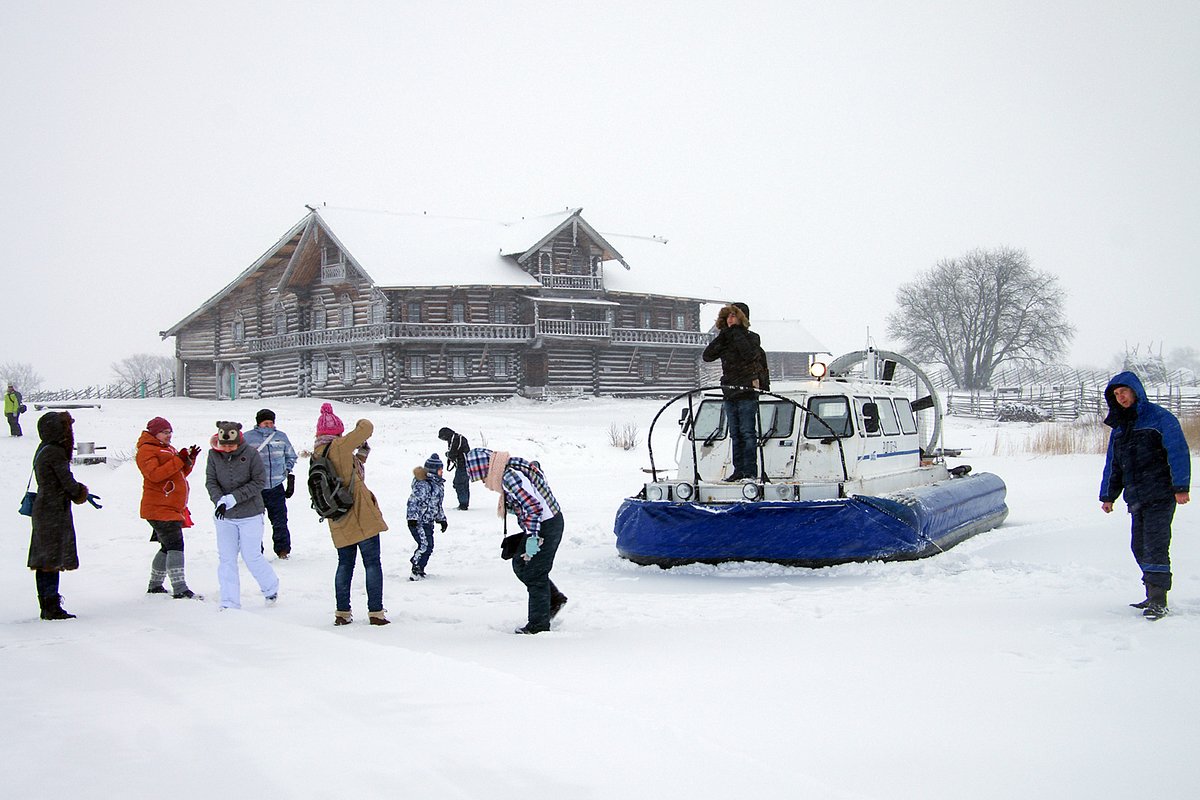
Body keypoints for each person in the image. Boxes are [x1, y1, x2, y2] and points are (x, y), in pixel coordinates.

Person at [1099, 371, 1191, 619]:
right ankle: (1151, 593)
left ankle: (1158, 600)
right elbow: (1113, 464)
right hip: (1136, 497)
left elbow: (1178, 452)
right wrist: (1108, 496)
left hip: (1161, 494)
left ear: (1135, 391)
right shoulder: (1120, 428)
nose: (1121, 398)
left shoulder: (1160, 419)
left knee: (1155, 546)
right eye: (1116, 395)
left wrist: (1180, 487)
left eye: (1124, 392)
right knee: (1138, 545)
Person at [464, 447, 568, 634]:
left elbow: (533, 508)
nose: (483, 482)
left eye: (480, 477)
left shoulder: (509, 477)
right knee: (520, 564)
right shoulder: (509, 469)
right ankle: (554, 600)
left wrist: (533, 537)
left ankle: (539, 626)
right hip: (543, 524)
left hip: (547, 525)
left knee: (535, 574)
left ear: (486, 469)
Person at [314, 402, 390, 626]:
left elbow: (346, 474)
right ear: (336, 433)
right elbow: (366, 427)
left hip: (338, 517)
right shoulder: (339, 446)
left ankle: (342, 613)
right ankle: (376, 612)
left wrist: (361, 456)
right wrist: (355, 427)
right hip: (360, 516)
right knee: (372, 564)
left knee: (344, 565)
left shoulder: (318, 453)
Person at [28, 412, 100, 619]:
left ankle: (47, 604)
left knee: (45, 560)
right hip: (53, 509)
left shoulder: (43, 449)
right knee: (51, 560)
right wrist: (81, 492)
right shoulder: (55, 452)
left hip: (44, 507)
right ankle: (51, 606)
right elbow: (67, 482)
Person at [205, 420, 279, 610]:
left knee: (251, 555)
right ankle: (229, 601)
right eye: (225, 445)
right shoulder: (213, 455)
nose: (228, 449)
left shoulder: (251, 454)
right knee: (226, 558)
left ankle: (270, 586)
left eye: (231, 445)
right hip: (225, 516)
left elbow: (258, 482)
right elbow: (211, 481)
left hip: (250, 513)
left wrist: (234, 498)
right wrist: (219, 500)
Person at [701, 302, 769, 481]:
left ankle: (750, 472)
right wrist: (724, 335)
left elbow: (749, 354)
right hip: (730, 391)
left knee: (747, 432)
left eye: (733, 316)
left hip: (746, 391)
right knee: (735, 434)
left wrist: (737, 333)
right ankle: (738, 470)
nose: (730, 320)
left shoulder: (752, 338)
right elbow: (707, 356)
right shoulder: (725, 338)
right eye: (727, 316)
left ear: (741, 318)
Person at [136, 416, 202, 599]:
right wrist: (178, 460)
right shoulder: (146, 450)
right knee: (175, 545)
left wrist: (188, 460)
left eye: (170, 432)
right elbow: (155, 475)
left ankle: (155, 585)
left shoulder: (167, 449)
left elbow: (179, 474)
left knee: (166, 547)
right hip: (159, 507)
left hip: (171, 507)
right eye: (164, 432)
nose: (168, 435)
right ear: (154, 433)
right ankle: (180, 588)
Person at [243, 408, 299, 559]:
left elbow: (291, 455)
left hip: (276, 486)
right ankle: (255, 552)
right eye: (265, 423)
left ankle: (283, 550)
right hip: (255, 488)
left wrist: (286, 470)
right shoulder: (247, 438)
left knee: (280, 520)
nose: (268, 425)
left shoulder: (281, 437)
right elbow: (241, 460)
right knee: (254, 522)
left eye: (270, 423)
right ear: (258, 423)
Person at [406, 453, 448, 580]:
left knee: (429, 546)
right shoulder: (423, 485)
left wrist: (441, 519)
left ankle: (421, 567)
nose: (442, 472)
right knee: (424, 545)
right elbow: (413, 502)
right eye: (440, 470)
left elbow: (437, 505)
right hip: (418, 522)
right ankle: (416, 566)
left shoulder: (438, 486)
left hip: (428, 522)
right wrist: (412, 518)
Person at [438, 427, 471, 510]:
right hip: (465, 465)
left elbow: (452, 453)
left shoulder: (455, 439)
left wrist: (448, 455)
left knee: (459, 483)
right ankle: (464, 503)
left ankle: (463, 504)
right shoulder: (457, 438)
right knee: (462, 484)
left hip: (462, 465)